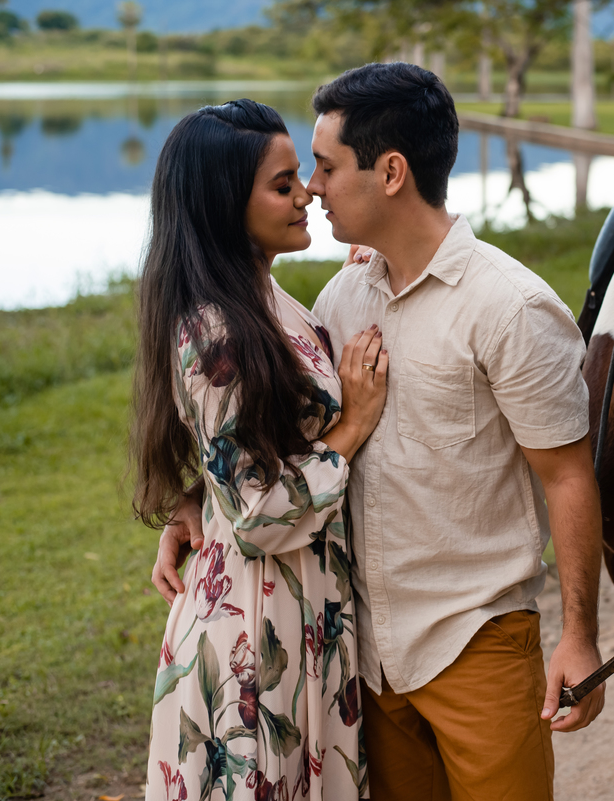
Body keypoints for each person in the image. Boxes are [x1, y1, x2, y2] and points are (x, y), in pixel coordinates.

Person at [155, 64, 606, 800]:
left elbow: (568, 475)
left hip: (475, 640)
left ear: (390, 171)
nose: (314, 188)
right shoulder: (339, 296)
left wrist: (580, 635)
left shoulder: (511, 307)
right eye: (300, 175)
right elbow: (260, 430)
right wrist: (195, 498)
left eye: (326, 167)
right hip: (361, 653)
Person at [133, 99, 387, 801]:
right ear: (224, 206)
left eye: (300, 175)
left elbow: (244, 443)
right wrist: (353, 426)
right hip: (256, 626)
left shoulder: (262, 294)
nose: (306, 190)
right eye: (283, 184)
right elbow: (260, 510)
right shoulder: (213, 329)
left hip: (301, 605)